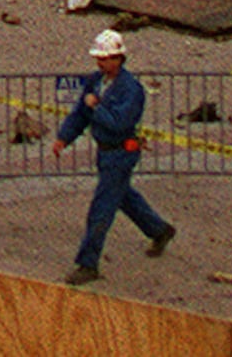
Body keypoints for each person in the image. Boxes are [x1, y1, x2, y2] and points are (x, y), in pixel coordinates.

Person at [52, 27, 174, 284]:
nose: (100, 63)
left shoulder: (131, 90)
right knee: (123, 197)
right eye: (98, 58)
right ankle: (159, 230)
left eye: (105, 58)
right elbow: (80, 113)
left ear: (119, 58)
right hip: (106, 153)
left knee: (102, 208)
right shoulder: (95, 81)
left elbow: (118, 123)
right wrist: (65, 137)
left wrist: (97, 107)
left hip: (121, 152)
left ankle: (88, 263)